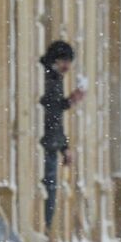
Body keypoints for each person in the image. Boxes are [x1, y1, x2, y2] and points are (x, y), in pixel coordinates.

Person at [40, 40, 85, 229]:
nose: (67, 66)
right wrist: (68, 102)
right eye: (65, 61)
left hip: (51, 144)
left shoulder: (54, 77)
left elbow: (54, 114)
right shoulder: (48, 78)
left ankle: (48, 230)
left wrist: (65, 147)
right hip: (46, 144)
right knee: (49, 189)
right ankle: (46, 229)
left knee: (50, 189)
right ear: (56, 60)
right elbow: (51, 113)